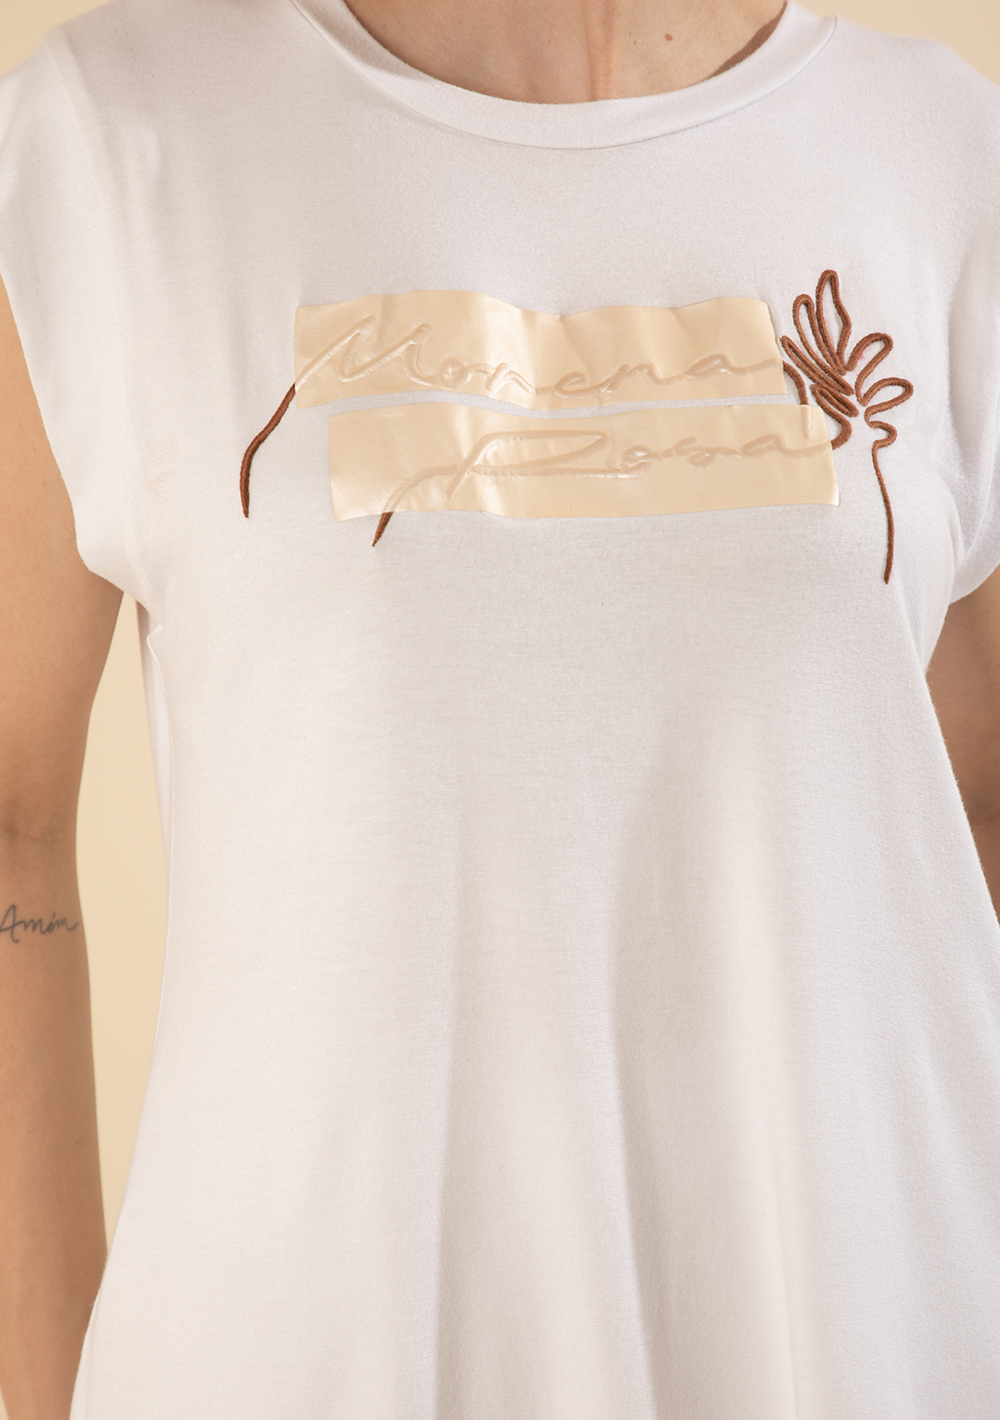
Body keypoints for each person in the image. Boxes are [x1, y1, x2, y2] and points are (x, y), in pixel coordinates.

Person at [1, 0, 1000, 1414]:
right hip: (313, 1348)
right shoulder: (122, 140)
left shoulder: (941, 151)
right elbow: (12, 823)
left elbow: (971, 802)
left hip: (864, 1339)